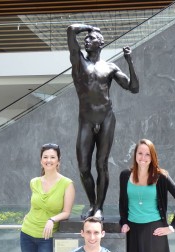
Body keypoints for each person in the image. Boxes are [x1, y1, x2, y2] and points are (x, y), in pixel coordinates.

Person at [67, 24, 139, 220]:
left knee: (101, 165)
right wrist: (91, 27)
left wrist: (129, 61)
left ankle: (98, 207)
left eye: (91, 38)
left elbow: (133, 88)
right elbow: (71, 29)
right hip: (86, 120)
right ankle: (92, 203)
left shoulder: (110, 67)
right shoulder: (78, 61)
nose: (86, 40)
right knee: (83, 168)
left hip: (106, 118)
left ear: (101, 42)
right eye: (86, 38)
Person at [20, 143, 75, 252]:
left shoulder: (67, 184)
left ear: (58, 161)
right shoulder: (34, 182)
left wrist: (52, 219)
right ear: (40, 160)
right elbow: (36, 206)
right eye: (45, 157)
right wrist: (27, 216)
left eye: (52, 157)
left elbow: (66, 212)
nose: (48, 160)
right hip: (27, 234)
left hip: (47, 238)